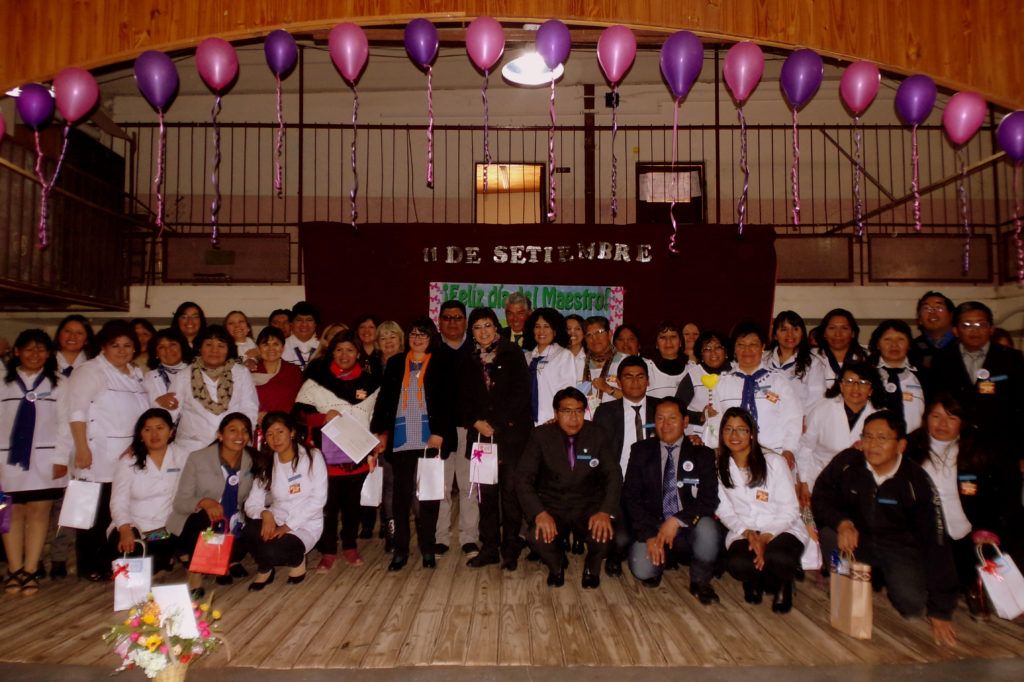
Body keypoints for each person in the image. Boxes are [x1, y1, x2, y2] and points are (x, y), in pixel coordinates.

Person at [812, 410, 959, 646]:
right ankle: (844, 579)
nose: (872, 445)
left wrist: (940, 610)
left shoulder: (916, 481)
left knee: (912, 607)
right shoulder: (848, 463)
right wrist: (843, 522)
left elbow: (936, 541)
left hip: (898, 549)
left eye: (882, 438)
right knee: (830, 535)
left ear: (900, 445)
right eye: (868, 436)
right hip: (856, 541)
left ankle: (879, 577)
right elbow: (820, 497)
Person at [904, 394, 1024, 617]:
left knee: (976, 560)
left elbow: (997, 499)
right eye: (936, 416)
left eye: (951, 418)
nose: (942, 424)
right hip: (923, 534)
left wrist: (987, 529)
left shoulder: (978, 452)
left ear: (963, 422)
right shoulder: (909, 448)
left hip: (965, 533)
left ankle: (975, 586)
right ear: (925, 418)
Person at [60, 320, 150, 581]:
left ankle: (114, 562)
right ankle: (89, 565)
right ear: (103, 346)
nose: (122, 351)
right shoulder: (90, 371)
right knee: (94, 514)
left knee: (118, 510)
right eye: (115, 345)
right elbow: (76, 411)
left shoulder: (134, 374)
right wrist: (82, 447)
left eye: (127, 346)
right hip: (96, 454)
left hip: (128, 455)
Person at [371, 317, 455, 571]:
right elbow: (385, 399)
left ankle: (428, 549)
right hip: (401, 437)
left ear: (432, 339)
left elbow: (448, 401)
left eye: (423, 335)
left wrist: (439, 432)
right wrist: (379, 431)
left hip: (430, 438)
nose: (417, 339)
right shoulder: (397, 363)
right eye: (413, 335)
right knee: (400, 496)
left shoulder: (442, 362)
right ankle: (400, 550)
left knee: (429, 497)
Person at [293, 330, 381, 569]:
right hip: (325, 457)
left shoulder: (371, 383)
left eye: (350, 350)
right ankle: (328, 550)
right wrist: (323, 417)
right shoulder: (315, 380)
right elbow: (299, 415)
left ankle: (350, 546)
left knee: (353, 505)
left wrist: (376, 442)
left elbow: (375, 418)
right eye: (339, 349)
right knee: (329, 506)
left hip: (357, 453)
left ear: (358, 354)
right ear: (331, 352)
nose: (344, 355)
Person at [516, 387, 620, 588]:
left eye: (579, 411)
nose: (573, 418)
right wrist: (539, 513)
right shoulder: (541, 435)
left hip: (588, 505)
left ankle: (592, 566)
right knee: (536, 535)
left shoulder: (597, 434)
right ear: (556, 413)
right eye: (566, 411)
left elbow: (614, 475)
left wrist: (605, 511)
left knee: (605, 532)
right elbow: (523, 479)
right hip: (553, 505)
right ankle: (556, 566)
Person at [622, 397, 721, 602]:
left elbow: (709, 499)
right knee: (643, 570)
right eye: (660, 418)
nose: (665, 424)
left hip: (687, 525)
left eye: (672, 418)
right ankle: (658, 565)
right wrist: (649, 534)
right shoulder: (640, 451)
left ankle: (700, 580)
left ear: (685, 422)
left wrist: (676, 520)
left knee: (709, 528)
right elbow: (631, 497)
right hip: (652, 526)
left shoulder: (702, 454)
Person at [459, 307, 532, 570]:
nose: (483, 332)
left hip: (510, 437)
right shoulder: (468, 358)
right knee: (486, 497)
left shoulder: (512, 353)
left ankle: (510, 548)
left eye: (488, 325)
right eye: (477, 327)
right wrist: (476, 421)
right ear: (472, 333)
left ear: (496, 327)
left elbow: (521, 394)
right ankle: (489, 547)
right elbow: (462, 397)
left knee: (510, 495)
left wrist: (497, 424)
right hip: (481, 437)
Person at [716, 407, 807, 614]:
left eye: (741, 429)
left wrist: (765, 538)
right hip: (745, 528)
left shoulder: (774, 462)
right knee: (737, 563)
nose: (734, 435)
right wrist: (748, 533)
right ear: (722, 434)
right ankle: (755, 579)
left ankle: (784, 583)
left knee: (780, 557)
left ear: (752, 434)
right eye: (728, 429)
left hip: (781, 527)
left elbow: (790, 509)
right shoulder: (719, 467)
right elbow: (724, 510)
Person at [1, 330, 66, 595]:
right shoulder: (3, 381)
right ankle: (14, 569)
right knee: (10, 512)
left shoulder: (60, 383)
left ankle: (30, 570)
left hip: (46, 458)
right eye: (28, 349)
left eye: (41, 349)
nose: (34, 354)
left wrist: (63, 458)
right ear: (16, 351)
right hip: (7, 459)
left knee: (40, 514)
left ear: (49, 354)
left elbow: (66, 424)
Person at [170, 412, 256, 596]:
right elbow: (180, 502)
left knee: (253, 526)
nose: (239, 436)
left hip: (233, 522)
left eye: (245, 431)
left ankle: (227, 560)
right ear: (220, 434)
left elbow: (260, 494)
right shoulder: (198, 458)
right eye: (233, 430)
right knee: (206, 517)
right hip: (197, 523)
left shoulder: (252, 461)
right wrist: (203, 502)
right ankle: (195, 573)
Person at [930, 301, 1024, 466]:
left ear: (991, 329)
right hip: (956, 449)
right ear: (955, 330)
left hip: (1003, 448)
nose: (975, 330)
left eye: (981, 324)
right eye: (967, 325)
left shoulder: (1011, 359)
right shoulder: (942, 360)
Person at [244, 412, 328, 589]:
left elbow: (318, 500)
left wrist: (287, 526)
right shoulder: (267, 462)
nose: (275, 438)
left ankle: (297, 560)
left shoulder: (312, 456)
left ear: (292, 432)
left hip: (305, 524)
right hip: (276, 520)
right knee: (248, 530)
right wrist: (265, 513)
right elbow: (251, 503)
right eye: (270, 434)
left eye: (280, 431)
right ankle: (265, 567)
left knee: (272, 549)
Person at [592, 356, 660, 575]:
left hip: (654, 486)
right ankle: (616, 553)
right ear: (619, 382)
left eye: (640, 377)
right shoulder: (605, 412)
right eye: (628, 377)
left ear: (648, 381)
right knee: (621, 537)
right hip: (618, 485)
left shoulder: (661, 408)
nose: (635, 382)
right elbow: (598, 454)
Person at [704, 322, 802, 468]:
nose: (747, 350)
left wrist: (789, 449)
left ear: (763, 347)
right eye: (741, 344)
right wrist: (715, 447)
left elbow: (793, 418)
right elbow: (716, 421)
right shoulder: (722, 383)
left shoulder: (778, 381)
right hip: (733, 459)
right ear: (734, 349)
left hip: (773, 457)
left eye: (753, 344)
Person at [109, 408, 189, 573]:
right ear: (140, 435)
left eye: (160, 428)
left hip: (166, 529)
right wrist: (125, 529)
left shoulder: (183, 456)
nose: (154, 434)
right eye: (147, 429)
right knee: (133, 554)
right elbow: (118, 501)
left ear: (171, 432)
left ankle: (171, 555)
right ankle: (169, 556)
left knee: (158, 554)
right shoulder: (128, 462)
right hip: (135, 527)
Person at [48, 315, 95, 579]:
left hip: (83, 443)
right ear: (59, 334)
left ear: (86, 338)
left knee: (76, 504)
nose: (73, 336)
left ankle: (66, 557)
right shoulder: (45, 364)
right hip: (50, 444)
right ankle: (52, 557)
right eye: (68, 331)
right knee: (50, 505)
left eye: (79, 333)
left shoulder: (91, 367)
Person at [796, 361, 882, 504]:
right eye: (849, 381)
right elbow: (805, 447)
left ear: (871, 389)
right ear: (841, 386)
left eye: (862, 382)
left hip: (862, 484)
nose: (855, 387)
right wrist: (803, 481)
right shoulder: (822, 409)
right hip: (818, 476)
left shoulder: (881, 417)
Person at [166, 325, 259, 456]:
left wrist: (242, 438)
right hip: (191, 450)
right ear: (199, 347)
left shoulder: (241, 373)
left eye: (221, 346)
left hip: (232, 448)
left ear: (228, 350)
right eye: (209, 344)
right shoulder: (183, 376)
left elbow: (249, 409)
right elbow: (169, 414)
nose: (214, 350)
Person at [434, 300, 480, 560]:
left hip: (468, 428)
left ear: (466, 322)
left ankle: (469, 537)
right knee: (439, 486)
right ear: (440, 321)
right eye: (447, 318)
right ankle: (440, 538)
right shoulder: (433, 350)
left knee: (469, 485)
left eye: (458, 318)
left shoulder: (476, 351)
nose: (452, 322)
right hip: (439, 430)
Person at [868, 319, 926, 434]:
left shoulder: (925, 375)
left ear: (909, 344)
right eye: (887, 339)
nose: (894, 345)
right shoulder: (866, 374)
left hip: (915, 444)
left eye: (900, 339)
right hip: (875, 442)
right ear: (878, 344)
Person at [523, 308, 578, 426]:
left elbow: (567, 390)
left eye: (546, 326)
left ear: (555, 330)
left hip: (552, 421)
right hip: (525, 423)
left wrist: (559, 416)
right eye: (537, 326)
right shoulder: (526, 357)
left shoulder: (564, 355)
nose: (541, 331)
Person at [805, 309, 868, 410]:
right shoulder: (809, 358)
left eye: (844, 328)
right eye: (832, 328)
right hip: (818, 418)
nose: (838, 334)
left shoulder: (867, 358)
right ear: (824, 333)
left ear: (852, 333)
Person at [675, 330, 731, 438]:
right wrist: (700, 416)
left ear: (726, 351)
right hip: (698, 437)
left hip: (730, 436)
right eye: (707, 349)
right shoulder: (693, 375)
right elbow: (676, 410)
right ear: (700, 354)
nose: (713, 353)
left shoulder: (736, 373)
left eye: (718, 347)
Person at [251, 326, 303, 420]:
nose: (271, 348)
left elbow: (300, 404)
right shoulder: (249, 372)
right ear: (258, 349)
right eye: (265, 344)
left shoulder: (293, 372)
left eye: (276, 344)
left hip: (285, 425)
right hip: (256, 424)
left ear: (282, 348)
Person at [765, 311, 813, 410]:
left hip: (799, 420)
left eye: (795, 329)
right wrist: (779, 402)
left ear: (802, 333)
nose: (790, 334)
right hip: (766, 417)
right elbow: (760, 390)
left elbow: (816, 398)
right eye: (784, 329)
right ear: (775, 335)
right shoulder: (762, 359)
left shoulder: (813, 362)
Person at [581, 316, 625, 415]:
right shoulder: (578, 363)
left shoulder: (625, 362)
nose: (594, 339)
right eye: (589, 335)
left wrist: (608, 389)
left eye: (598, 333)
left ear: (609, 334)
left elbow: (636, 398)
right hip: (587, 423)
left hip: (616, 421)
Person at [143, 328, 192, 414]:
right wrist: (157, 403)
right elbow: (141, 407)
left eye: (172, 344)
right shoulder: (149, 378)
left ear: (182, 347)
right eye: (161, 347)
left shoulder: (196, 373)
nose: (168, 350)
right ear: (156, 354)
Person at [911, 291, 956, 379]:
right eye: (926, 308)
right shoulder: (912, 348)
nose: (932, 312)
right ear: (919, 319)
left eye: (939, 308)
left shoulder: (964, 344)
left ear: (951, 315)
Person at [648, 321, 687, 399]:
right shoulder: (645, 369)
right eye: (663, 337)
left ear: (680, 342)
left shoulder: (692, 369)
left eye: (673, 337)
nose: (668, 341)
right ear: (656, 343)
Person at [283, 301, 320, 369]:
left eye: (309, 320)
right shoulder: (281, 346)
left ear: (315, 324)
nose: (304, 324)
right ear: (291, 324)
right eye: (299, 320)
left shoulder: (323, 347)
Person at [565, 314, 587, 384]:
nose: (572, 332)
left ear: (584, 333)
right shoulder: (556, 357)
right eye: (568, 329)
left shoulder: (591, 357)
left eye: (577, 329)